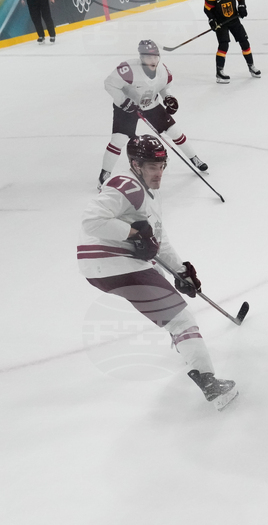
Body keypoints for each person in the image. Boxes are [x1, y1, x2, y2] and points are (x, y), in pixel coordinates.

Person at [79, 136, 238, 411]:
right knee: (182, 320)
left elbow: (157, 240)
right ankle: (210, 383)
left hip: (108, 266)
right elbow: (92, 221)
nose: (159, 173)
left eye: (162, 166)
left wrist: (180, 271)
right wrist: (133, 234)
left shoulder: (148, 192)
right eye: (152, 167)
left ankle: (182, 344)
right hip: (115, 261)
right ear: (135, 164)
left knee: (163, 284)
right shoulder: (126, 185)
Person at [100, 40, 208, 186]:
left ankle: (194, 157)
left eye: (155, 57)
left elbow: (164, 87)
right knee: (119, 140)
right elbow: (110, 84)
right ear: (141, 57)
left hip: (151, 104)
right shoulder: (129, 69)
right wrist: (123, 101)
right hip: (127, 108)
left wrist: (168, 98)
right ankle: (105, 173)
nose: (153, 60)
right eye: (149, 57)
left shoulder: (163, 70)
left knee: (175, 131)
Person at [204, 0, 261, 83]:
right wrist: (212, 20)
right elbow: (207, 9)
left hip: (234, 19)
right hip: (221, 22)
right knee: (224, 45)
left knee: (244, 42)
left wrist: (242, 6)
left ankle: (251, 66)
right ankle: (219, 72)